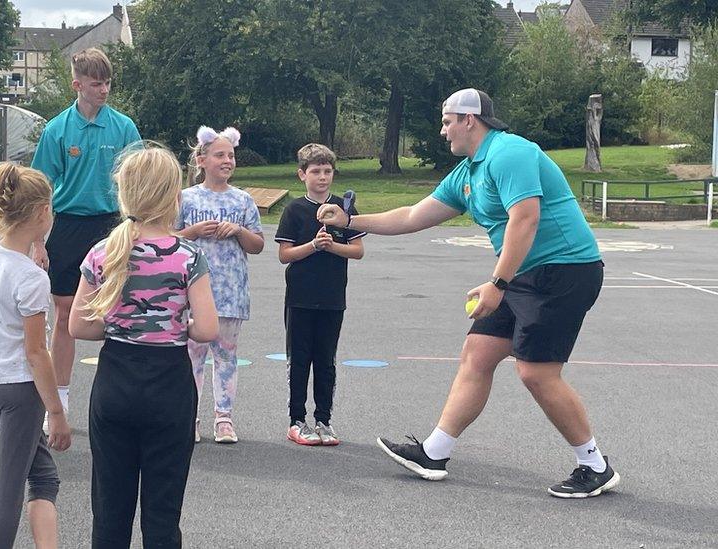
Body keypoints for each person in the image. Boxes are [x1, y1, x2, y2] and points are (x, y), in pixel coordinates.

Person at [318, 88, 619, 499]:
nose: (443, 131)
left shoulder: (509, 153)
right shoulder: (469, 172)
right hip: (525, 274)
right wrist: (350, 220)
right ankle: (434, 453)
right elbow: (411, 217)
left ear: (469, 120)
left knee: (536, 372)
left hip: (564, 271)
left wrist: (498, 284)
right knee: (477, 354)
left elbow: (525, 219)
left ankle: (594, 465)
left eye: (447, 122)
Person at [69, 144, 218, 548]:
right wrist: (171, 324)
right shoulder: (188, 256)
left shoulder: (103, 252)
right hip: (169, 383)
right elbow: (206, 329)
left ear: (124, 195)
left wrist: (121, 326)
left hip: (116, 378)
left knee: (109, 510)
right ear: (175, 196)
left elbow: (78, 326)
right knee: (162, 513)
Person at [0, 164, 72, 549]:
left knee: (43, 476)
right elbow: (36, 351)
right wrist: (56, 411)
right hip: (20, 390)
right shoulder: (32, 277)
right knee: (7, 490)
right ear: (43, 213)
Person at [31, 47, 141, 426]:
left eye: (108, 82)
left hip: (112, 224)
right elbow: (41, 189)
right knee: (65, 314)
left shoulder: (124, 127)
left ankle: (121, 397)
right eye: (97, 84)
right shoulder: (57, 129)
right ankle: (57, 403)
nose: (104, 90)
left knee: (119, 310)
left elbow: (138, 180)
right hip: (69, 225)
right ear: (77, 85)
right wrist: (36, 241)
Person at [175, 125, 264, 444]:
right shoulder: (184, 199)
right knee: (192, 356)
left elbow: (257, 244)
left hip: (231, 292)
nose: (227, 161)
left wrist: (238, 231)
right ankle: (190, 417)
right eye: (220, 155)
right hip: (192, 293)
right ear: (201, 160)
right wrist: (194, 230)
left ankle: (224, 418)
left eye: (231, 155)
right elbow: (169, 239)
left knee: (226, 354)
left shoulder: (243, 200)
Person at [275, 143, 365, 447]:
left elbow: (358, 251)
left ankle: (324, 419)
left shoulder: (343, 208)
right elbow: (284, 255)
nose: (322, 177)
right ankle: (296, 420)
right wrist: (313, 245)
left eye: (327, 171)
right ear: (303, 174)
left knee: (326, 361)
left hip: (332, 298)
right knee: (299, 360)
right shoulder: (294, 210)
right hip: (300, 298)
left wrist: (332, 245)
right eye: (316, 171)